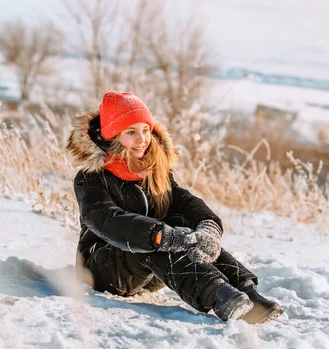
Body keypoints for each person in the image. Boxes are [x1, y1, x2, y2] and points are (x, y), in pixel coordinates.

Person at [66, 91, 283, 323]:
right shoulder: (92, 177)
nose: (142, 139)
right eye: (131, 132)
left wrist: (208, 227)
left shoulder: (151, 171)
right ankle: (219, 296)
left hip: (148, 271)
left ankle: (248, 294)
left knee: (182, 228)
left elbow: (183, 201)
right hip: (101, 269)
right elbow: (104, 217)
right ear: (112, 136)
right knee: (155, 238)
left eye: (146, 130)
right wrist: (160, 236)